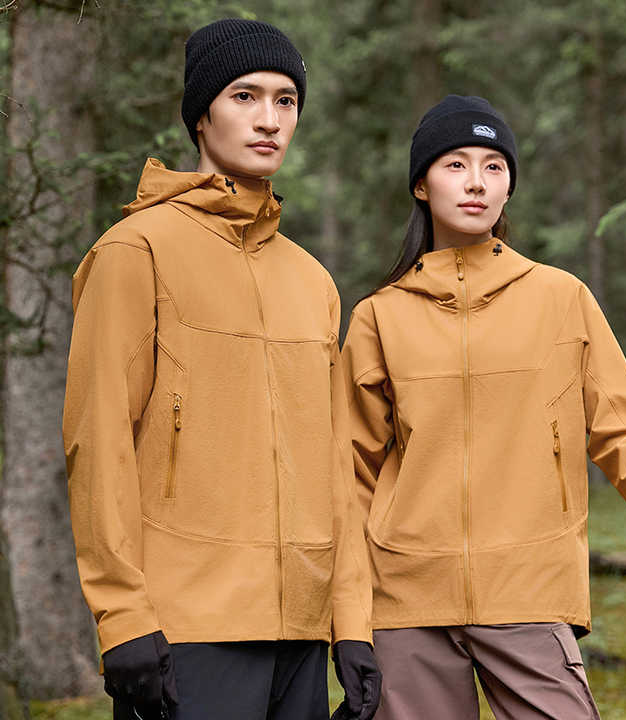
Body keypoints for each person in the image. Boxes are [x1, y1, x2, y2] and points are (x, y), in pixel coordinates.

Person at [340, 95, 626, 720]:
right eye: (455, 164)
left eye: (494, 166)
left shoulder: (561, 298)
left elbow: (620, 421)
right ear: (421, 185)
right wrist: (348, 617)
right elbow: (349, 474)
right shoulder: (379, 316)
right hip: (405, 597)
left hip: (530, 587)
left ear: (509, 187)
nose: (476, 182)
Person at [63, 18, 381, 720]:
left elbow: (333, 464)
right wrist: (122, 615)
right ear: (201, 116)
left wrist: (352, 622)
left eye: (286, 100)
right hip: (183, 629)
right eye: (245, 96)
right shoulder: (135, 251)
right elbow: (99, 442)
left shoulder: (312, 282)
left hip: (300, 632)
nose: (269, 119)